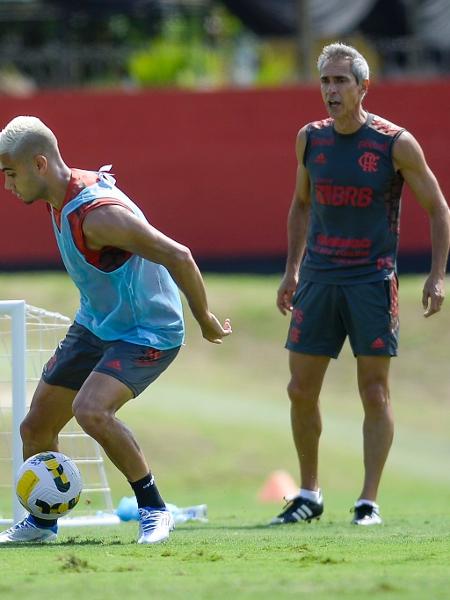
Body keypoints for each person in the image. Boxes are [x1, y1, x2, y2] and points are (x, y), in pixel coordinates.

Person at [0, 116, 232, 544]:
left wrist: (205, 319)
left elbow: (178, 255)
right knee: (35, 427)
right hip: (97, 323)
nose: (7, 185)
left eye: (10, 174)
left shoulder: (98, 216)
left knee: (92, 410)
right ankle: (43, 522)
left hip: (149, 330)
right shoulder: (59, 194)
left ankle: (155, 510)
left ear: (38, 165)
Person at [271, 43, 449, 526]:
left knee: (374, 392)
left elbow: (438, 208)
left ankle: (368, 502)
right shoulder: (310, 140)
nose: (330, 90)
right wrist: (292, 270)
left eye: (340, 81)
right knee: (299, 389)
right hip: (320, 279)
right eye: (325, 81)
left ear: (363, 87)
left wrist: (437, 276)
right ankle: (308, 494)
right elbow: (301, 205)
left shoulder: (395, 143)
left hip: (372, 280)